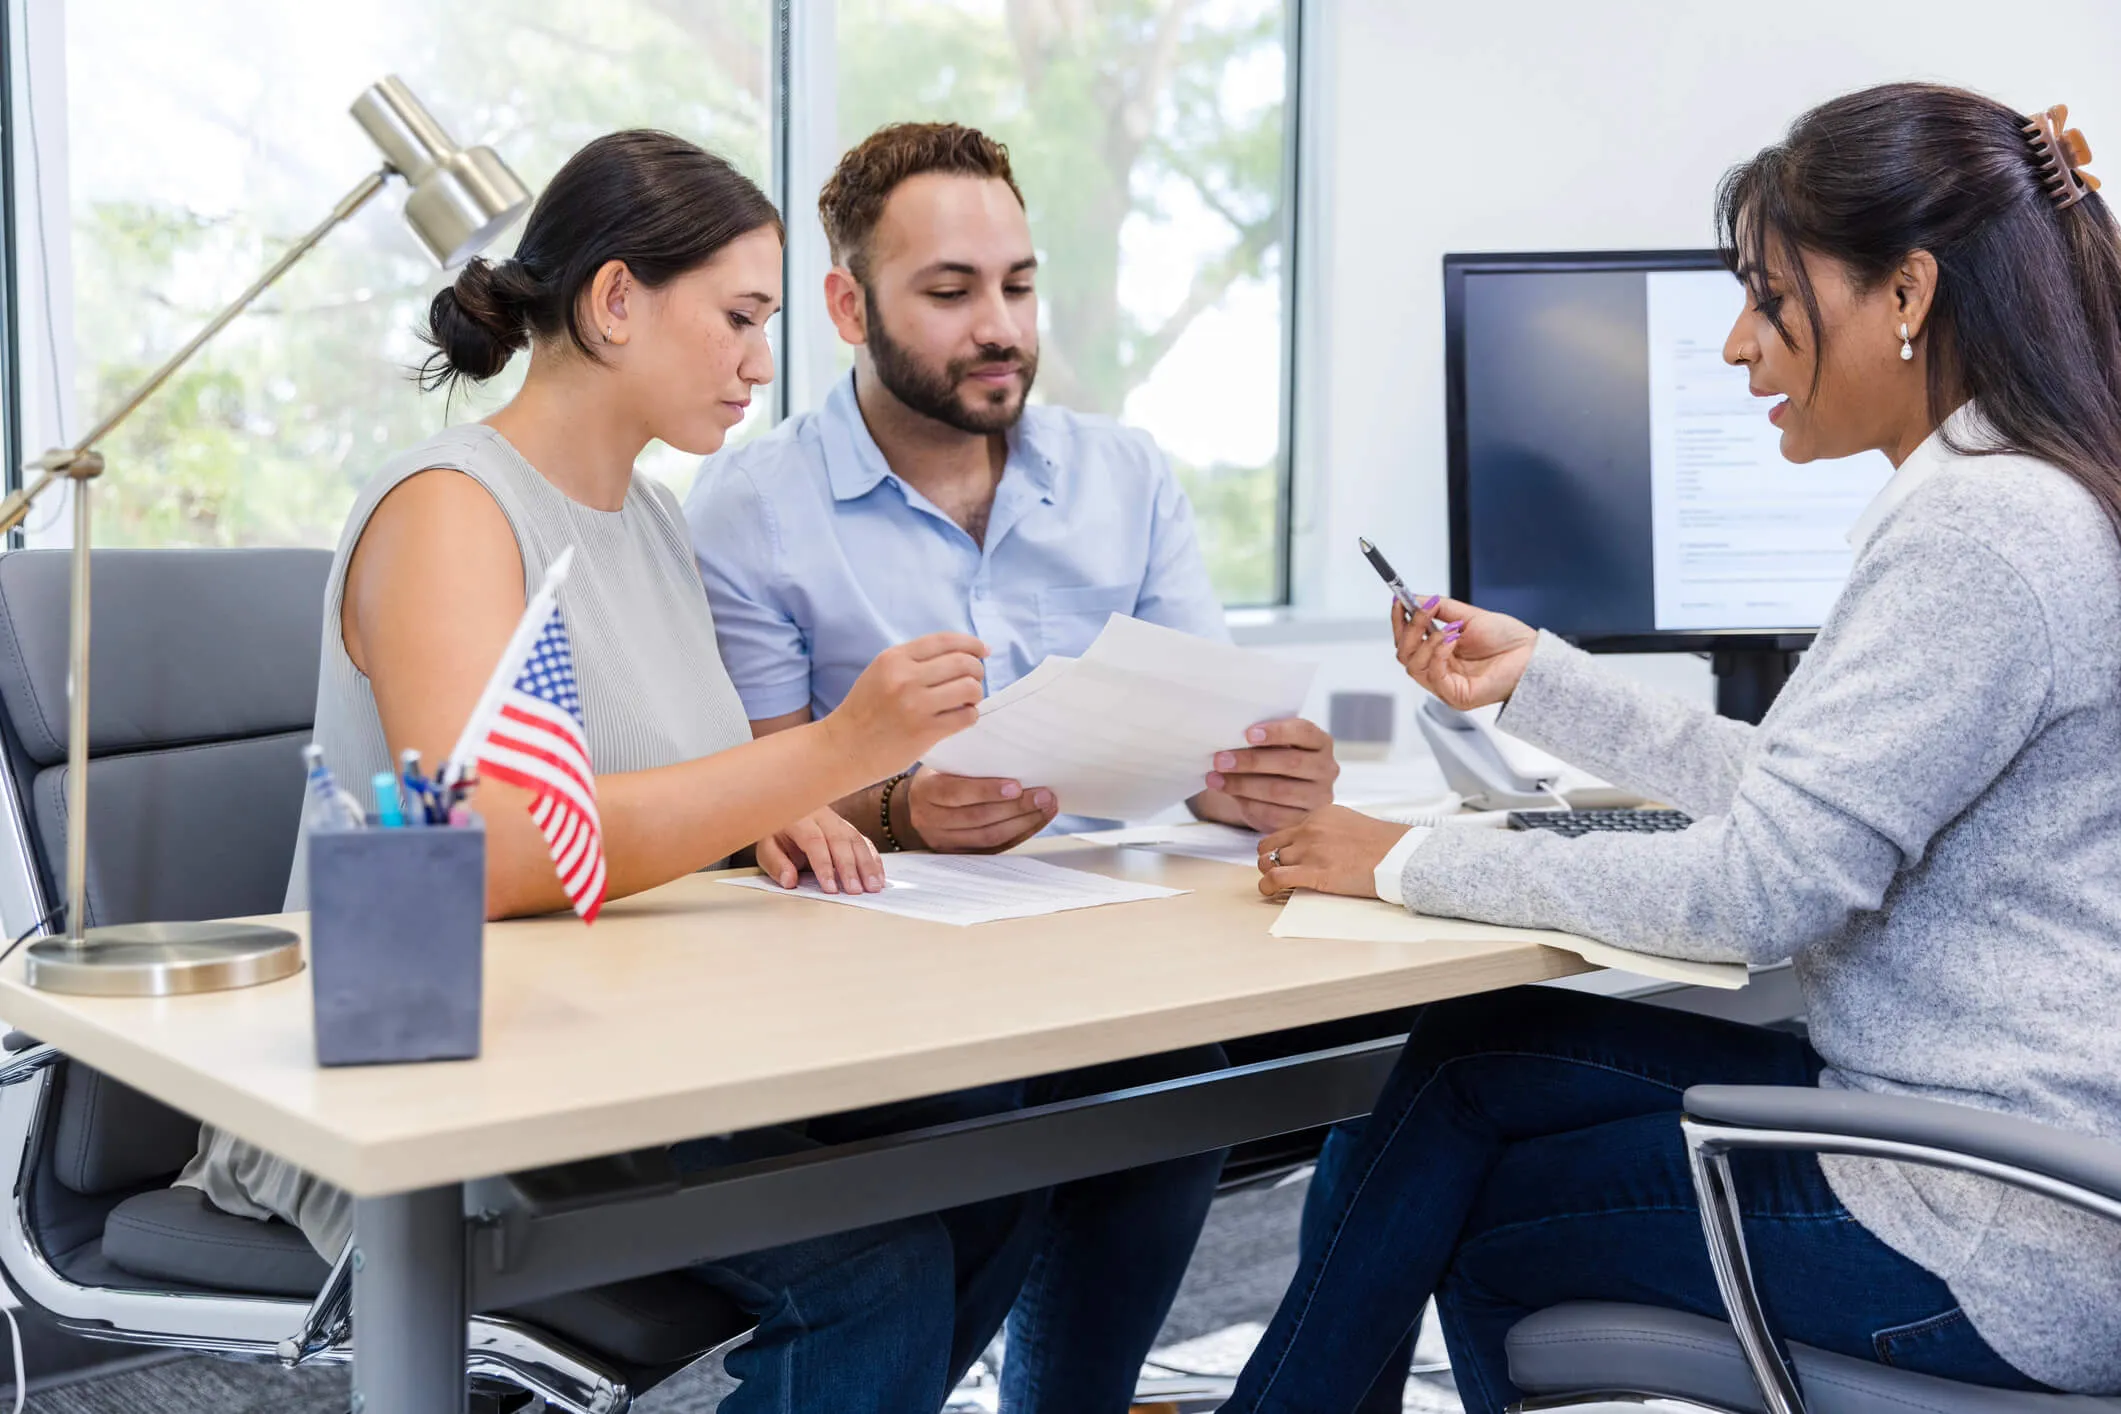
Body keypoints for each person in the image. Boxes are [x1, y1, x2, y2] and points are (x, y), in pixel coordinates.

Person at [1227, 82, 2121, 1413]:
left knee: (1468, 1222)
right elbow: (1813, 795)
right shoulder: (2039, 488)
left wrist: (1400, 861)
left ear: (1905, 295)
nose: (1738, 347)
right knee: (1469, 1064)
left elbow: (1755, 891)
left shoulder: (1980, 533)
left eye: (1768, 298)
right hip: (2013, 1164)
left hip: (1985, 1231)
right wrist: (1545, 683)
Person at [173, 130, 997, 1414]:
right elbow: (496, 852)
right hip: (427, 1088)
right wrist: (827, 754)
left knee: (990, 1169)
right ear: (616, 301)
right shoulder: (451, 507)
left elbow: (649, 790)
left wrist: (771, 815)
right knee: (882, 1261)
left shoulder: (650, 522)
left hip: (623, 1057)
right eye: (737, 317)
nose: (759, 363)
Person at [684, 121, 1339, 850]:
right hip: (879, 935)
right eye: (950, 292)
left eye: (1019, 286)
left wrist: (1260, 787)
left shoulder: (1127, 477)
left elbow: (1208, 768)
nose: (1001, 328)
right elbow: (750, 812)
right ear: (850, 307)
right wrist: (900, 811)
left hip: (1117, 915)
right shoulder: (752, 506)